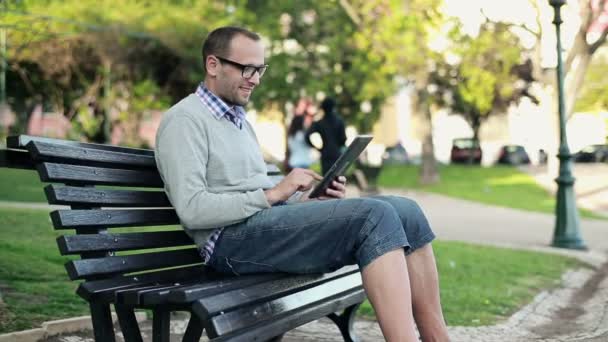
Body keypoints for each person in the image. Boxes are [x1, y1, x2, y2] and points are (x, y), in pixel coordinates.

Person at [155, 26, 450, 342]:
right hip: (229, 243)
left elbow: (258, 196)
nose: (255, 78)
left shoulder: (237, 120)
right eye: (247, 68)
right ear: (213, 65)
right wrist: (273, 194)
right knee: (373, 216)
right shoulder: (184, 120)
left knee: (406, 210)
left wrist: (307, 204)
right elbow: (193, 209)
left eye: (260, 69)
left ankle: (437, 338)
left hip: (257, 227)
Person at [306, 96, 347, 175]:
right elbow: (343, 139)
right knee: (338, 180)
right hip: (337, 154)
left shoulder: (320, 123)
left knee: (326, 180)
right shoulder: (339, 122)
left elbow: (307, 136)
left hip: (326, 154)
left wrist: (318, 148)